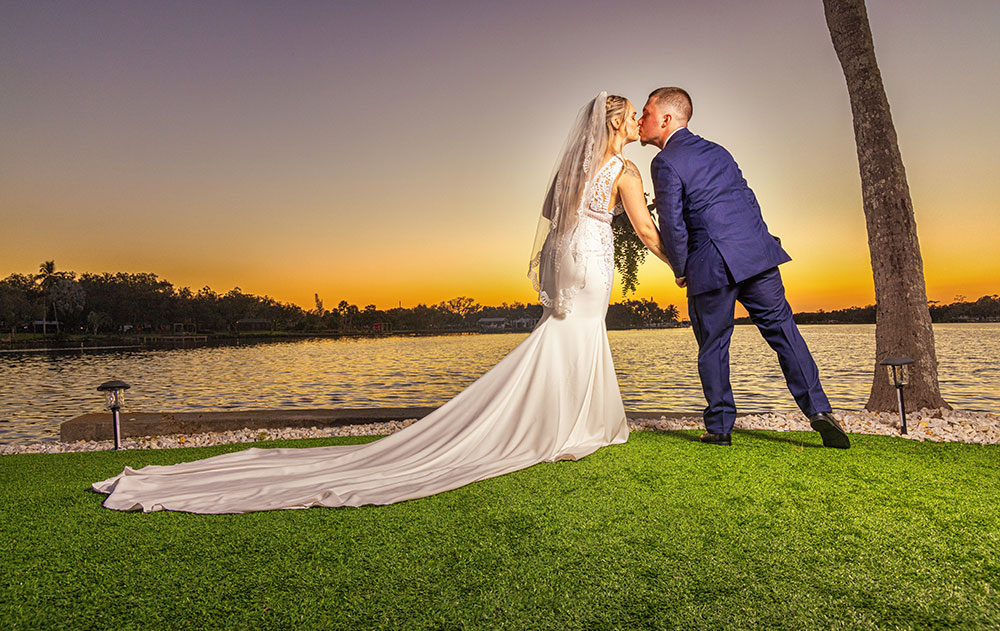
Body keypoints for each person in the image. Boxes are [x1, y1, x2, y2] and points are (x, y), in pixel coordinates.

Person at [93, 93, 671, 513]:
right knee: (580, 334)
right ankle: (572, 424)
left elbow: (551, 215)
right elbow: (644, 233)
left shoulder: (574, 168)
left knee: (562, 333)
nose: (632, 125)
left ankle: (565, 419)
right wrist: (680, 262)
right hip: (592, 261)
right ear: (619, 123)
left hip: (569, 254)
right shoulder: (622, 168)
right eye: (629, 118)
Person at [639, 86, 850, 449]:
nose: (641, 120)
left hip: (712, 262)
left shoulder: (665, 161)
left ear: (666, 119)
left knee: (714, 344)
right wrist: (758, 242)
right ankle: (819, 410)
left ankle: (720, 426)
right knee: (785, 333)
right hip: (757, 252)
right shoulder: (718, 151)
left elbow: (673, 224)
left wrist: (680, 267)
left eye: (645, 112)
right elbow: (746, 197)